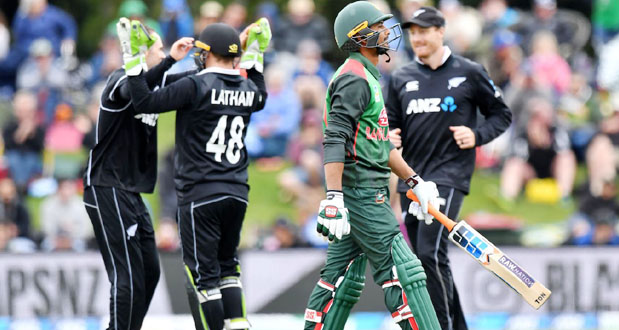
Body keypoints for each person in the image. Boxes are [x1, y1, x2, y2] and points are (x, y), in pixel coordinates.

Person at [119, 18, 270, 330]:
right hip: (237, 193)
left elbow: (143, 101)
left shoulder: (195, 86)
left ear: (210, 54)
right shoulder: (248, 87)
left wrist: (133, 61)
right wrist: (254, 53)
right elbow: (260, 91)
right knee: (228, 268)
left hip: (200, 193)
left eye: (203, 51)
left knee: (203, 277)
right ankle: (239, 325)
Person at [303, 2, 442, 330]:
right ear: (360, 35)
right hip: (361, 193)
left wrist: (414, 181)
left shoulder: (366, 76)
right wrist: (334, 196)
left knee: (339, 283)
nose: (386, 31)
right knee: (406, 274)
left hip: (367, 190)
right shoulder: (353, 78)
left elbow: (380, 143)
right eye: (378, 26)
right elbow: (335, 137)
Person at [385, 7, 512, 330]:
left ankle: (438, 326)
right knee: (426, 259)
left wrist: (477, 135)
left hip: (449, 176)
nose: (417, 38)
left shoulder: (468, 71)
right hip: (411, 180)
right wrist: (391, 135)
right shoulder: (401, 78)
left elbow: (501, 114)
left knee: (429, 253)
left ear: (441, 31)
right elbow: (391, 126)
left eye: (424, 31)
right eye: (412, 33)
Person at [82, 25, 193, 330]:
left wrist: (212, 61)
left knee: (149, 272)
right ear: (143, 53)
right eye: (159, 49)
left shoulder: (150, 83)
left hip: (129, 192)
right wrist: (167, 62)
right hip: (107, 187)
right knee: (127, 276)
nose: (164, 53)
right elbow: (133, 89)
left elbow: (185, 82)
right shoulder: (120, 79)